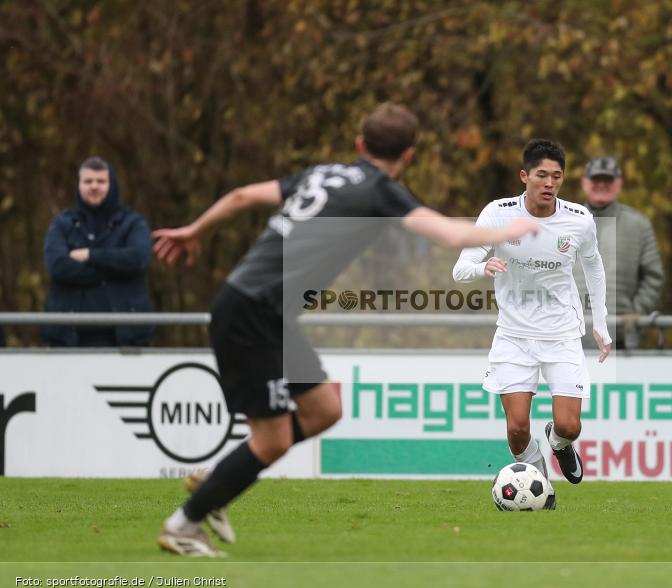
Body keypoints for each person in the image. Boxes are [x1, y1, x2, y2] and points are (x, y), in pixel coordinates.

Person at [151, 103, 539, 557]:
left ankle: (219, 481)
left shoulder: (319, 174)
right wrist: (515, 227)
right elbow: (450, 236)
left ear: (359, 144)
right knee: (273, 439)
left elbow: (240, 196)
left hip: (255, 308)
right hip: (254, 314)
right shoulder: (380, 190)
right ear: (408, 155)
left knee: (323, 410)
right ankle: (184, 523)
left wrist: (194, 230)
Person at [452, 139, 613, 508]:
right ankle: (542, 484)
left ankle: (558, 443)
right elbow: (460, 269)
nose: (550, 183)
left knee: (570, 425)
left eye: (557, 176)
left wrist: (600, 322)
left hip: (561, 334)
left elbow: (593, 264)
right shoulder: (498, 214)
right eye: (542, 175)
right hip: (513, 336)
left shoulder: (578, 219)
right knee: (516, 428)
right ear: (525, 176)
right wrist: (483, 266)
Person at [41, 157, 153, 347]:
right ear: (79, 185)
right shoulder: (62, 223)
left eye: (101, 181)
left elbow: (138, 259)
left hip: (127, 341)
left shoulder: (133, 223)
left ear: (112, 184)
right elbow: (57, 265)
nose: (94, 186)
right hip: (67, 341)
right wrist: (114, 268)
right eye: (88, 181)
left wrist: (90, 256)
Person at [581, 155, 664, 349]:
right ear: (584, 182)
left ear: (618, 184)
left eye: (608, 180)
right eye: (595, 179)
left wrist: (636, 312)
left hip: (621, 339)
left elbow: (654, 277)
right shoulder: (565, 222)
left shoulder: (639, 225)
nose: (601, 184)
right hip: (566, 339)